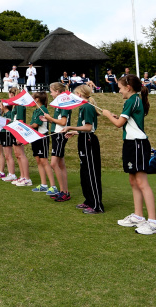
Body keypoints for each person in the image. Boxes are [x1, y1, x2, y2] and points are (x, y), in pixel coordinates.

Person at [102, 75, 156, 234]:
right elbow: (126, 121)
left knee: (142, 182)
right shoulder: (132, 101)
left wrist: (108, 115)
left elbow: (118, 124)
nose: (119, 91)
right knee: (133, 180)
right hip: (131, 143)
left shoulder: (132, 100)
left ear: (128, 88)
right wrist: (118, 116)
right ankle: (138, 216)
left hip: (137, 144)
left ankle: (154, 222)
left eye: (120, 88)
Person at [63, 85, 104, 214]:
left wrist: (70, 127)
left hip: (89, 141)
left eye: (75, 94)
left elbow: (88, 128)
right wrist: (75, 132)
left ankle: (97, 205)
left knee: (91, 173)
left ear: (80, 94)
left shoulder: (87, 107)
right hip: (84, 139)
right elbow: (83, 128)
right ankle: (89, 201)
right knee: (84, 172)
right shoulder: (83, 107)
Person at [40, 82, 71, 201]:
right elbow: (59, 121)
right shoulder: (59, 104)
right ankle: (65, 191)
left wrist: (49, 118)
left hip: (60, 135)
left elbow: (63, 122)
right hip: (56, 134)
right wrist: (49, 120)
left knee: (53, 164)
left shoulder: (63, 104)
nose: (50, 93)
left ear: (57, 92)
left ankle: (63, 191)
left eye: (51, 91)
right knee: (60, 164)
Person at [29, 92, 56, 193]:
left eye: (33, 98)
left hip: (42, 138)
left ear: (37, 99)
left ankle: (53, 186)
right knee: (38, 161)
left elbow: (35, 125)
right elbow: (33, 124)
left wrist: (24, 125)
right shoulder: (36, 110)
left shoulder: (43, 109)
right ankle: (43, 184)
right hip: (35, 137)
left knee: (44, 161)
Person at [8, 87, 31, 186]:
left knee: (21, 154)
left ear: (13, 94)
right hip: (14, 131)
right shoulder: (15, 105)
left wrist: (19, 136)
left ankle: (27, 178)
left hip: (19, 132)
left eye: (10, 94)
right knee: (17, 155)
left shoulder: (19, 105)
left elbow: (21, 120)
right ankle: (22, 176)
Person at [0, 102, 17, 181]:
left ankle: (12, 173)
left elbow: (10, 123)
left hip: (8, 134)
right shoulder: (5, 114)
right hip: (5, 133)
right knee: (6, 155)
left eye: (1, 105)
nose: (0, 107)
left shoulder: (9, 113)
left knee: (8, 155)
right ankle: (10, 173)